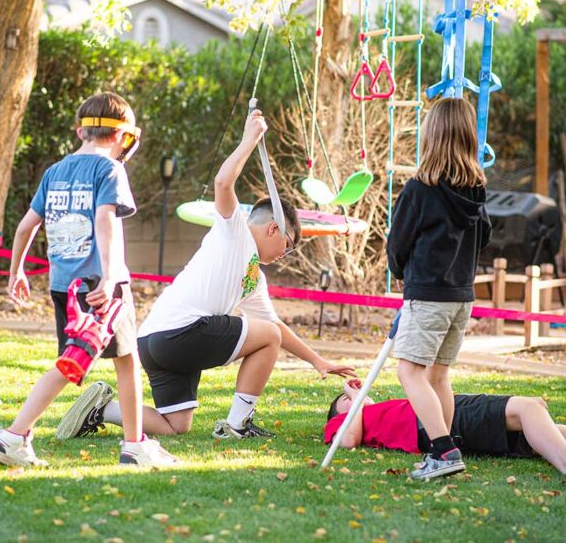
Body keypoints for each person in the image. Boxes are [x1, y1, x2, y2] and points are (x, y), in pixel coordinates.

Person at [57, 108, 355, 441]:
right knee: (267, 334)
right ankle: (238, 424)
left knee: (176, 426)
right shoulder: (234, 230)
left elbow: (279, 329)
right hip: (178, 333)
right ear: (273, 228)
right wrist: (248, 140)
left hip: (152, 342)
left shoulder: (253, 276)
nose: (281, 257)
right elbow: (223, 182)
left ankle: (102, 410)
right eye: (286, 247)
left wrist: (318, 361)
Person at [0, 92, 177, 468]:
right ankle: (15, 435)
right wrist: (108, 277)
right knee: (102, 363)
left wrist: (16, 271)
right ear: (125, 137)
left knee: (93, 359)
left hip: (64, 286)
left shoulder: (54, 172)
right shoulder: (110, 171)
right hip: (102, 284)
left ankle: (133, 443)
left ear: (80, 131)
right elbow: (105, 220)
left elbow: (26, 227)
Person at [386, 97, 492, 480]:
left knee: (410, 373)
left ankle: (443, 451)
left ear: (431, 135)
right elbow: (484, 238)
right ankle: (444, 450)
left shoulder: (420, 189)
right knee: (438, 375)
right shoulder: (476, 191)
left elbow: (397, 242)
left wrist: (400, 271)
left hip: (428, 294)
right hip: (461, 297)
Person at [325, 380, 566, 479]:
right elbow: (350, 441)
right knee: (528, 408)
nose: (358, 396)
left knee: (558, 428)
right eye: (346, 402)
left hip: (445, 419)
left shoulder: (369, 411)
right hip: (436, 425)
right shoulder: (344, 420)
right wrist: (350, 399)